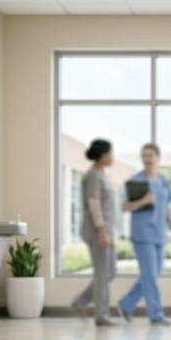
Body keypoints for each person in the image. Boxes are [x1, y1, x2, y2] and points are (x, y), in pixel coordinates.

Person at [117, 143, 171, 326]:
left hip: (159, 234)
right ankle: (156, 315)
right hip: (142, 234)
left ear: (157, 158)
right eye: (144, 155)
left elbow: (167, 208)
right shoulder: (135, 180)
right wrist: (143, 201)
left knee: (152, 274)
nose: (147, 159)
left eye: (151, 155)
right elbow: (124, 207)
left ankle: (126, 303)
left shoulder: (163, 181)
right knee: (150, 275)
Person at [70, 139, 119, 327]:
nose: (112, 157)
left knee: (110, 273)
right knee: (102, 274)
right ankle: (101, 316)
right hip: (98, 231)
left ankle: (79, 303)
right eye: (111, 153)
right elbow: (94, 204)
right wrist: (101, 232)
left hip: (107, 231)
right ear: (103, 155)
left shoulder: (103, 175)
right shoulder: (93, 176)